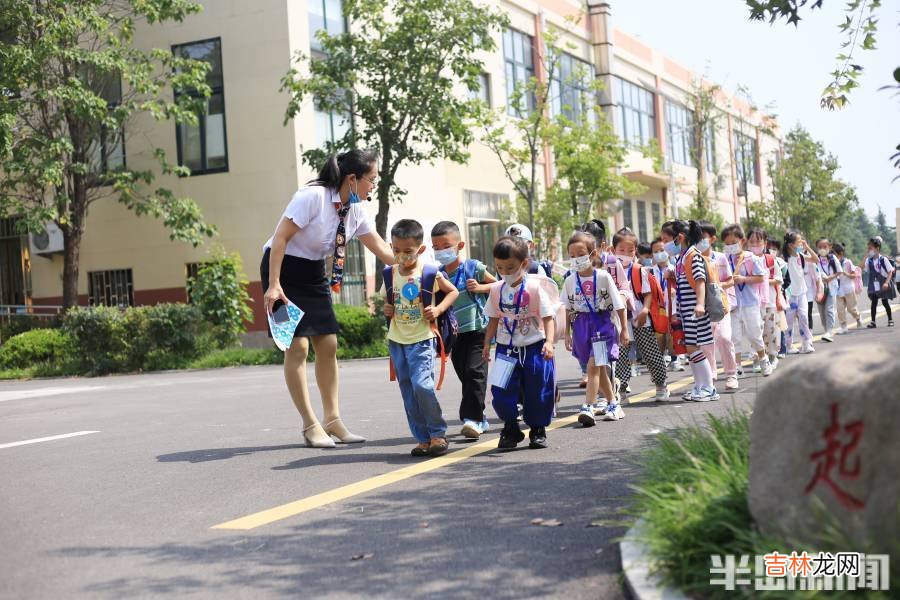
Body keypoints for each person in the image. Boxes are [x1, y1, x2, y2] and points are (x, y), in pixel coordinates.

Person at [262, 149, 395, 448]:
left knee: (328, 343)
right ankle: (310, 425)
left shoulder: (356, 210)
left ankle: (332, 419)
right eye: (371, 179)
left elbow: (383, 251)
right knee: (297, 347)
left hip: (311, 273)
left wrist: (414, 264)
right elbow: (280, 238)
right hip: (281, 270)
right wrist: (273, 285)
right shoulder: (312, 197)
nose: (373, 185)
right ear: (352, 178)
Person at [382, 219, 459, 457]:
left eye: (408, 251)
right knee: (408, 389)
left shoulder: (429, 273)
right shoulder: (390, 273)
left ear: (420, 249)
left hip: (422, 338)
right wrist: (387, 308)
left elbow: (453, 292)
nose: (401, 256)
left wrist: (437, 310)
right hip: (398, 340)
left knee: (422, 385)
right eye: (396, 251)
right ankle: (423, 438)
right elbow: (389, 301)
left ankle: (438, 433)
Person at [482, 236, 560, 450]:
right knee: (500, 390)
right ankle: (510, 427)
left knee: (538, 389)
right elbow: (493, 318)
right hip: (506, 348)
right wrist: (487, 344)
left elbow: (548, 317)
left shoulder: (534, 288)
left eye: (510, 267)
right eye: (499, 267)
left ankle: (537, 429)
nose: (505, 272)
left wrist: (549, 343)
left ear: (524, 264)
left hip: (535, 346)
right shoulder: (497, 289)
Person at [430, 221, 497, 439]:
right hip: (454, 335)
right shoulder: (438, 275)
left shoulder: (473, 267)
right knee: (465, 376)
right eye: (436, 247)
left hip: (478, 330)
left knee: (474, 373)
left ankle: (472, 420)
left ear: (460, 245)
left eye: (445, 245)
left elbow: (498, 286)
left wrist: (481, 287)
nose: (441, 251)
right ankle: (481, 418)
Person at [562, 232, 628, 425]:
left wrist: (624, 329)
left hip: (602, 324)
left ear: (593, 253)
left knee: (593, 366)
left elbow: (618, 305)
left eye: (580, 254)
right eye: (572, 255)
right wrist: (567, 333)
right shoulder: (569, 280)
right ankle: (613, 404)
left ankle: (588, 406)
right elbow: (567, 308)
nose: (576, 259)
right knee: (598, 369)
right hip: (581, 325)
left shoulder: (603, 277)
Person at [660, 220, 719, 402]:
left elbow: (700, 281)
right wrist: (672, 279)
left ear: (680, 237)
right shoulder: (682, 258)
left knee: (694, 348)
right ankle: (700, 386)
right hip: (686, 310)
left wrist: (700, 304)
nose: (666, 244)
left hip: (694, 311)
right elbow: (684, 285)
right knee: (690, 349)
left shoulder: (693, 256)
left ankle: (709, 388)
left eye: (669, 239)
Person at [612, 229, 670, 401]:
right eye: (621, 250)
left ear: (635, 250)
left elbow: (647, 294)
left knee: (650, 351)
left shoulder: (639, 270)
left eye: (630, 250)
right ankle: (620, 388)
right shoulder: (609, 271)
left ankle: (661, 385)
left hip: (639, 316)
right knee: (621, 355)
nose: (626, 254)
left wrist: (645, 310)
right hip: (619, 317)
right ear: (613, 249)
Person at [721, 224, 772, 378]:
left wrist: (743, 279)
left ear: (742, 241)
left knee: (754, 334)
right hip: (733, 305)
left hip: (750, 303)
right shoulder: (724, 259)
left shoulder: (751, 258)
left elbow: (761, 277)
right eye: (727, 244)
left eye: (733, 243)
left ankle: (763, 359)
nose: (730, 246)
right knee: (734, 336)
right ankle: (737, 366)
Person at [698, 222, 739, 390]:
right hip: (702, 306)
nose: (700, 241)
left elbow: (731, 279)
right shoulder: (694, 258)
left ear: (712, 239)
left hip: (721, 305)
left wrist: (718, 286)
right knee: (706, 343)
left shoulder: (720, 258)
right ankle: (711, 375)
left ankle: (731, 374)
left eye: (703, 238)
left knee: (724, 337)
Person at [651, 238, 684, 372]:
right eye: (656, 251)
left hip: (672, 306)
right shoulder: (650, 271)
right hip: (657, 308)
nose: (659, 253)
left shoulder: (675, 268)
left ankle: (675, 359)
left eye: (662, 250)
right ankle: (661, 359)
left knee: (673, 332)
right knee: (659, 334)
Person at [782, 230, 815, 354]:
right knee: (789, 321)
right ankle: (788, 345)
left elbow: (815, 259)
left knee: (804, 317)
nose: (801, 244)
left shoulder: (801, 256)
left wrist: (808, 248)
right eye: (799, 242)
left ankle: (806, 344)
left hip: (802, 293)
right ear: (791, 245)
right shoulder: (784, 259)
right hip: (790, 295)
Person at [860, 237, 896, 327]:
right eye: (868, 248)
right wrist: (865, 256)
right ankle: (873, 322)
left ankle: (890, 319)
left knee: (885, 302)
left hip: (883, 282)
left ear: (877, 248)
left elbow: (890, 272)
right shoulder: (869, 260)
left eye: (870, 248)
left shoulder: (883, 259)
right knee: (874, 302)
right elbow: (861, 267)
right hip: (874, 283)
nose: (869, 250)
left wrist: (886, 283)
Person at [814, 238, 842, 342]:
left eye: (825, 247)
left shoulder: (832, 258)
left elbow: (839, 271)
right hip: (819, 289)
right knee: (821, 311)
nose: (822, 249)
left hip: (831, 287)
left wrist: (830, 277)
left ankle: (829, 331)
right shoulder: (815, 258)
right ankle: (826, 330)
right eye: (820, 247)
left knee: (829, 309)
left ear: (829, 247)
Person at [833, 243, 863, 333]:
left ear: (840, 253)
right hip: (838, 289)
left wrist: (846, 274)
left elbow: (854, 275)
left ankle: (858, 318)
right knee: (840, 309)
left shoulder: (848, 262)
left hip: (849, 288)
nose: (833, 255)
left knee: (851, 308)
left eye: (834, 253)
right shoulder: (833, 262)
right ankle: (843, 327)